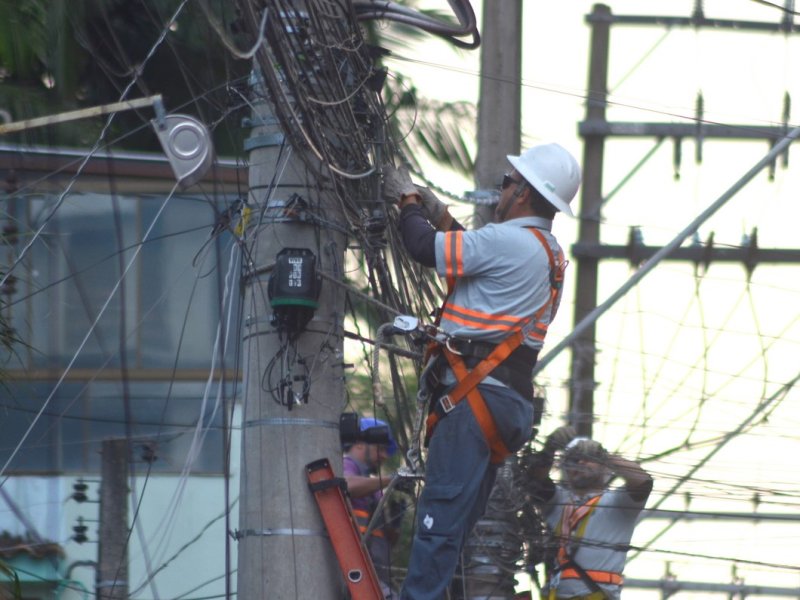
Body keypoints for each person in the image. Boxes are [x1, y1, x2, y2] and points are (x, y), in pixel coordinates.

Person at [381, 142, 582, 600]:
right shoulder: (546, 251)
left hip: (475, 397)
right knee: (453, 531)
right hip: (503, 402)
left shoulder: (508, 241)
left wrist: (408, 200)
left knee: (436, 523)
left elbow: (421, 247)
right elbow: (477, 257)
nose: (500, 191)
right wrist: (439, 212)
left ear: (526, 194)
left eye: (508, 183)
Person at [529, 426, 653, 600]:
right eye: (574, 459)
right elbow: (534, 480)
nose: (580, 463)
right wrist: (549, 448)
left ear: (604, 468)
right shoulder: (557, 501)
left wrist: (603, 454)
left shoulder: (617, 503)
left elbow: (642, 481)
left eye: (587, 459)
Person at [343, 416, 400, 598]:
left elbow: (383, 538)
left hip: (373, 573)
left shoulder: (370, 483)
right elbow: (347, 486)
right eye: (380, 448)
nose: (384, 455)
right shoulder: (346, 465)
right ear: (359, 443)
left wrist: (395, 524)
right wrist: (392, 479)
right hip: (354, 570)